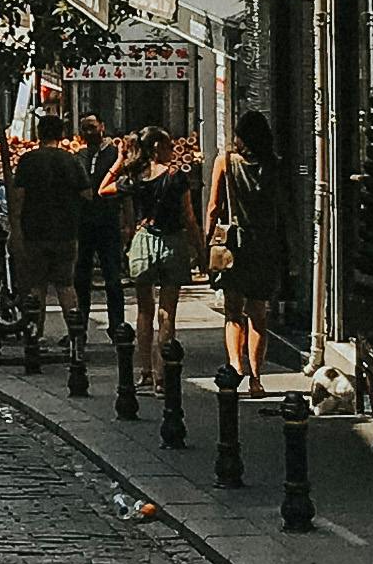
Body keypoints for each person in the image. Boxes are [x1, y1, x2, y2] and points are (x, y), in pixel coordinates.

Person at [207, 107, 294, 396]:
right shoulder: (275, 164)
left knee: (233, 312)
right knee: (258, 312)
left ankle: (235, 365)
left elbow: (213, 208)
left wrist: (206, 243)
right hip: (265, 243)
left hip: (234, 244)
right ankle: (257, 377)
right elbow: (283, 208)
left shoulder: (226, 162)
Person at [4, 94, 87, 356]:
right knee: (66, 285)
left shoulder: (29, 161)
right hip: (65, 232)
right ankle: (75, 336)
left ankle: (34, 336)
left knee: (36, 287)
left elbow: (18, 198)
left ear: (39, 134)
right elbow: (87, 194)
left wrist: (15, 229)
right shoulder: (71, 161)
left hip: (35, 231)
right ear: (61, 134)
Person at [124, 127, 198, 380]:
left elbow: (104, 189)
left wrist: (120, 160)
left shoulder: (136, 176)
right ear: (157, 147)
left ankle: (143, 370)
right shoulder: (177, 177)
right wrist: (200, 248)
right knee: (167, 312)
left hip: (144, 242)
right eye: (168, 146)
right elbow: (189, 217)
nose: (172, 150)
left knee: (144, 311)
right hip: (171, 242)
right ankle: (161, 374)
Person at [74, 114, 123, 346]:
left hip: (109, 221)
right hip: (83, 223)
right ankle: (79, 327)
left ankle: (117, 327)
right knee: (81, 277)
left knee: (112, 277)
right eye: (85, 128)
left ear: (102, 127)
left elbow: (124, 189)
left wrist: (128, 222)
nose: (89, 132)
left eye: (93, 127)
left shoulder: (113, 154)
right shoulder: (80, 155)